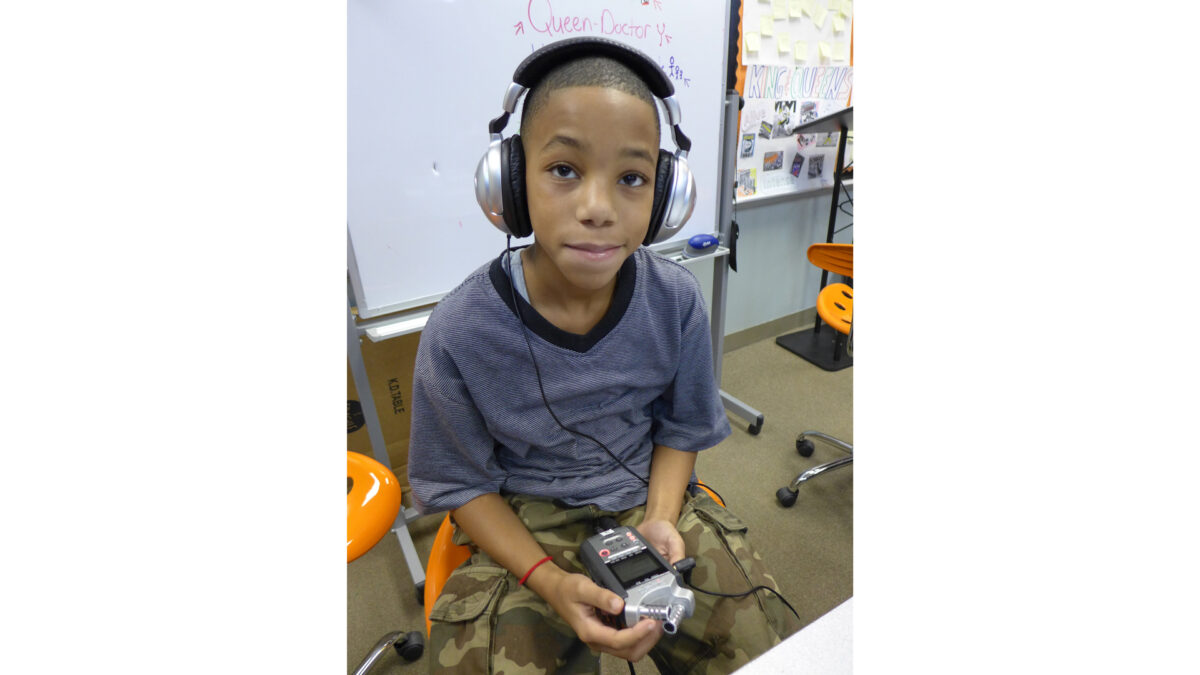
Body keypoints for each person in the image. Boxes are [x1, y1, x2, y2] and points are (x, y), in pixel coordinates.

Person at [408, 37, 800, 674]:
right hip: (525, 520)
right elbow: (462, 484)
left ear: (664, 197)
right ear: (511, 184)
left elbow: (681, 429)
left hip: (648, 501)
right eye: (564, 170)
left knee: (773, 644)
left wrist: (662, 518)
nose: (597, 208)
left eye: (632, 178)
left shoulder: (673, 299)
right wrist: (548, 581)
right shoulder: (460, 331)